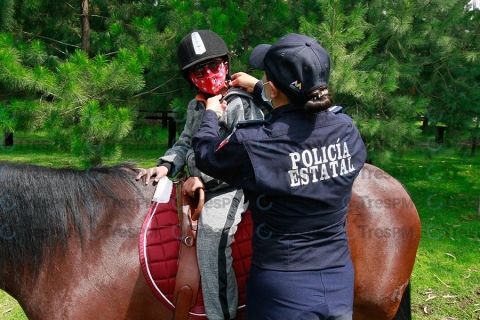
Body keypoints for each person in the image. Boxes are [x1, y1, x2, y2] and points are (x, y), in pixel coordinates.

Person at [192, 33, 367, 319]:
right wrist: (261, 87)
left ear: (274, 90)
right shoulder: (346, 130)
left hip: (283, 290)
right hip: (338, 281)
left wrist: (211, 114)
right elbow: (304, 113)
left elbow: (206, 154)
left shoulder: (256, 144)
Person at [135, 30, 265, 320]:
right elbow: (184, 141)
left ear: (226, 64)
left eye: (213, 65)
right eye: (198, 70)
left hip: (231, 188)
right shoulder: (197, 104)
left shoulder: (239, 103)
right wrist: (167, 165)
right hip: (199, 183)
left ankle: (222, 314)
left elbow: (241, 158)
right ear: (190, 77)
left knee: (210, 238)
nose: (208, 73)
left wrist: (202, 179)